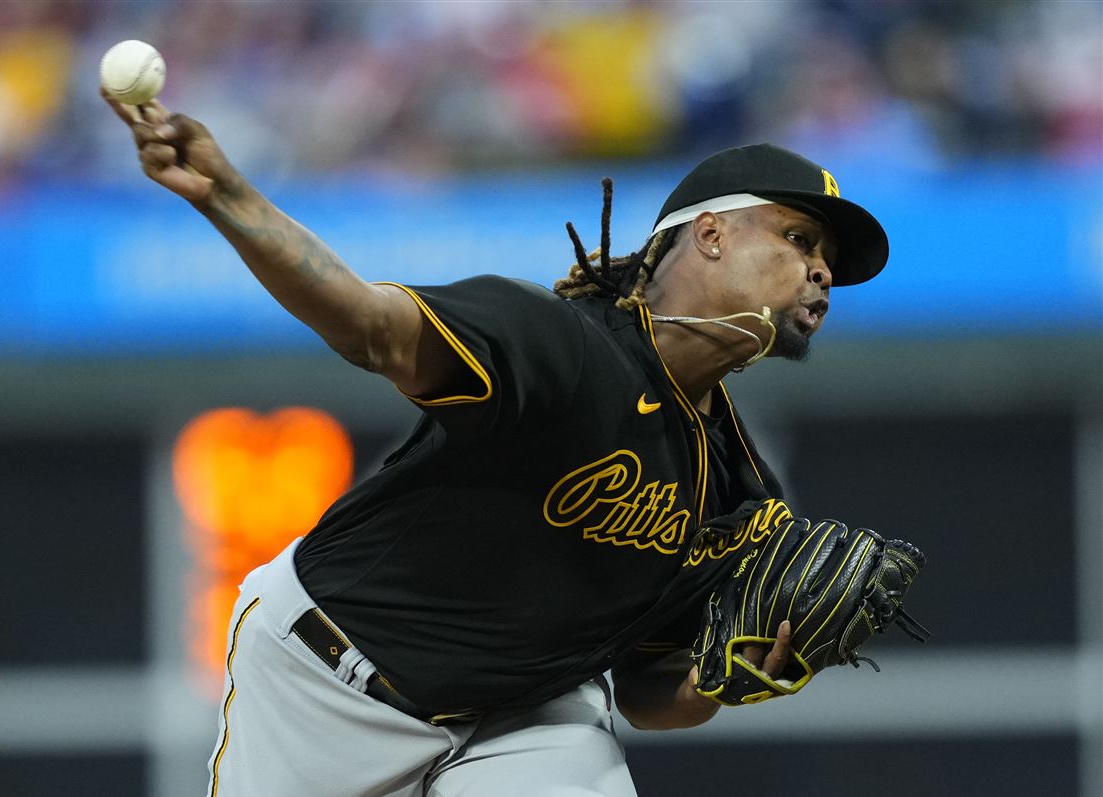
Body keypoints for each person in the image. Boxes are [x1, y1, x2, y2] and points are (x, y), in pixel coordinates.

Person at [103, 90, 888, 797]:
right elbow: (372, 327)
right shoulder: (558, 343)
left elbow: (648, 691)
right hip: (325, 682)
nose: (820, 270)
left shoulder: (741, 495)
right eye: (799, 236)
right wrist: (232, 199)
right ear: (711, 233)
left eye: (825, 261)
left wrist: (728, 680)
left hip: (523, 718)